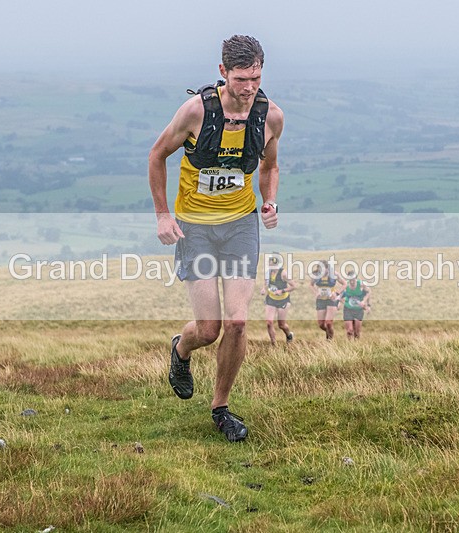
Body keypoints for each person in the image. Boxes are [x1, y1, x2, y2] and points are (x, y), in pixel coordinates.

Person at [148, 35, 284, 442]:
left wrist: (270, 201)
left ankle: (220, 408)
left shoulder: (270, 117)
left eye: (256, 78)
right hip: (196, 228)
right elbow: (157, 156)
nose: (249, 88)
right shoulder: (195, 111)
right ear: (223, 72)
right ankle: (181, 350)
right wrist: (162, 215)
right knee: (209, 329)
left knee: (239, 323)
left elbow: (269, 166)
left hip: (241, 224)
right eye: (241, 79)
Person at [260, 254, 295, 345]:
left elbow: (294, 286)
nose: (271, 266)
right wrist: (264, 289)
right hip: (271, 299)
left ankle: (289, 335)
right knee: (269, 322)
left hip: (283, 300)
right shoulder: (268, 272)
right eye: (269, 264)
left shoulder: (283, 273)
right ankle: (273, 343)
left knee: (281, 325)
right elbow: (266, 282)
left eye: (272, 265)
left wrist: (282, 290)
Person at [310, 260, 345, 340]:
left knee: (328, 323)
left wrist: (336, 293)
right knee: (321, 324)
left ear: (327, 269)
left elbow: (344, 284)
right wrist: (316, 293)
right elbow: (311, 285)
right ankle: (329, 332)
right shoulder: (316, 275)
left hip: (332, 299)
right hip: (321, 300)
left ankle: (330, 341)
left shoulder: (334, 274)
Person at [339, 268, 370, 340]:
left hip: (358, 310)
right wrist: (342, 303)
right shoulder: (346, 285)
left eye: (353, 279)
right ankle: (349, 347)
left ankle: (356, 346)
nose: (352, 281)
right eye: (350, 280)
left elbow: (368, 292)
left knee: (357, 332)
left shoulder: (361, 284)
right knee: (349, 330)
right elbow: (339, 296)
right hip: (348, 309)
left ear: (355, 278)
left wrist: (365, 303)